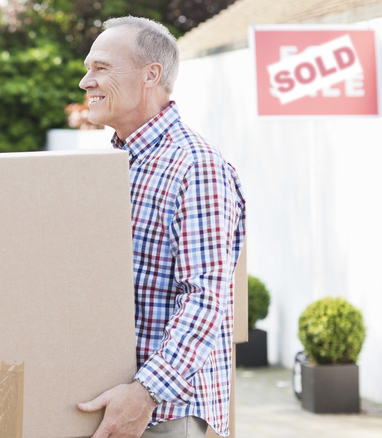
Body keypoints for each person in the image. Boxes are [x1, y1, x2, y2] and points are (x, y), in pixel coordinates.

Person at [76, 17, 246, 438]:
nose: (85, 81)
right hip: (115, 402)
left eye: (101, 68)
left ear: (151, 74)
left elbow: (205, 299)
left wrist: (145, 394)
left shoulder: (195, 166)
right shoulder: (115, 165)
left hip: (163, 414)